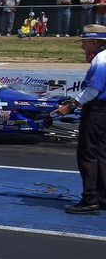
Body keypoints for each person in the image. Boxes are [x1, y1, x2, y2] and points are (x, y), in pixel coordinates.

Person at [51, 24, 106, 214]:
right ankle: (102, 196)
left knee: (87, 154)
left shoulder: (101, 59)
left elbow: (92, 90)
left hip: (97, 111)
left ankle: (90, 199)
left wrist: (70, 106)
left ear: (93, 41)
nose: (82, 46)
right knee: (101, 154)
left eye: (84, 42)